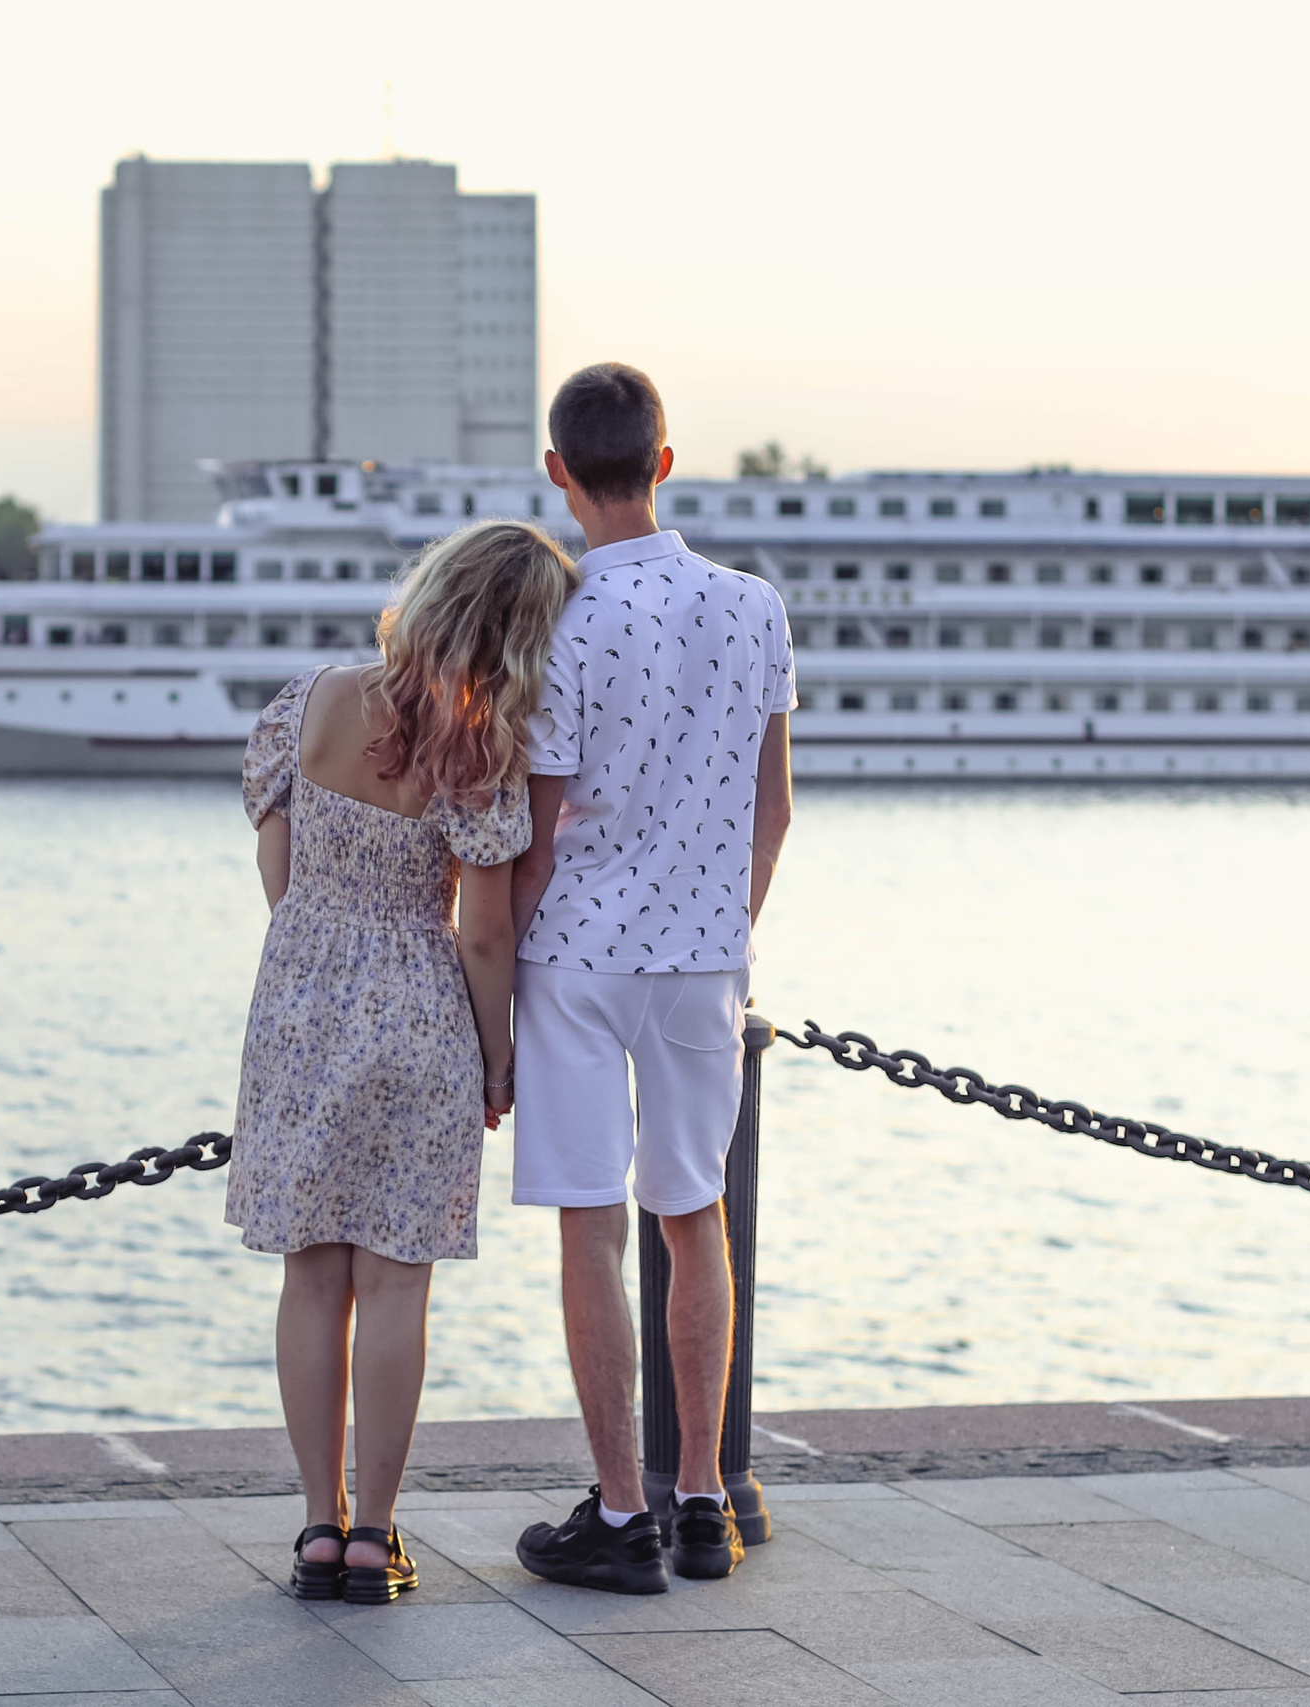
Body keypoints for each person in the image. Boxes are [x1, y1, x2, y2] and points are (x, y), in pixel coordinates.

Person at [226, 519, 581, 1606]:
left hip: (296, 1006)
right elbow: (482, 932)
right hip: (421, 1012)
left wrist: (320, 955)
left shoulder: (308, 702)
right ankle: (376, 1536)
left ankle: (316, 1528)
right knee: (393, 1286)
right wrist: (495, 1057)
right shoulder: (477, 751)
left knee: (310, 1275)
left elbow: (275, 862)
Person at [509, 362, 796, 1594]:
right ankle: (698, 1507)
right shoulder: (755, 607)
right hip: (701, 954)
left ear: (558, 472)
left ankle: (617, 1514)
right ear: (665, 462)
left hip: (573, 952)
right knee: (694, 1218)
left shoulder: (559, 621)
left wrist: (489, 1010)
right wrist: (725, 926)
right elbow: (772, 807)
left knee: (589, 1225)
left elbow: (538, 823)